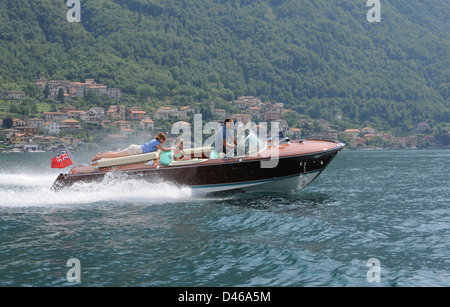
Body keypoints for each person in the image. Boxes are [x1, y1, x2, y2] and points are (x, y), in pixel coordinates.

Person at [91, 132, 171, 162]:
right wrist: (173, 148)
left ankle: (100, 154)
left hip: (135, 148)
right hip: (135, 150)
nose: (163, 142)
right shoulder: (156, 142)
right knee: (115, 155)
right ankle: (99, 156)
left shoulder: (155, 142)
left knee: (116, 153)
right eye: (163, 140)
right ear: (160, 138)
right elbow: (163, 149)